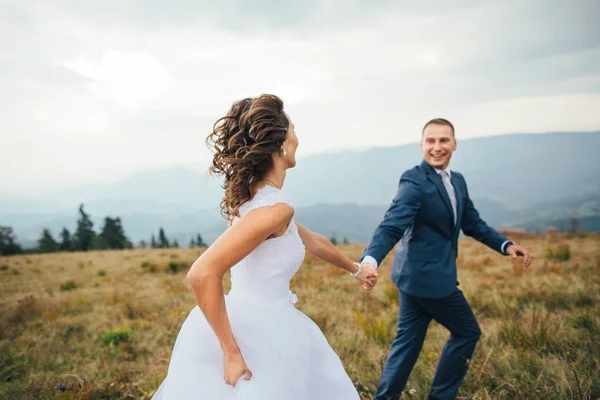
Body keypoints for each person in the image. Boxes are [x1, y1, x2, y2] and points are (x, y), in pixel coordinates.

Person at [152, 94, 378, 400]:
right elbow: (202, 273)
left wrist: (355, 269)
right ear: (282, 143)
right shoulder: (275, 209)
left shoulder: (256, 204)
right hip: (261, 331)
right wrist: (231, 352)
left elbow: (314, 242)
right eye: (294, 130)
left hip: (254, 318)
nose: (298, 138)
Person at [359, 118, 532, 400]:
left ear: (454, 144)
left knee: (407, 343)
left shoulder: (458, 181)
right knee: (467, 332)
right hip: (428, 279)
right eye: (431, 141)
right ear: (421, 146)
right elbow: (391, 225)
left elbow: (472, 222)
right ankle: (441, 396)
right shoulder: (414, 181)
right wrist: (370, 260)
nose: (437, 147)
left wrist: (506, 244)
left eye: (443, 140)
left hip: (412, 276)